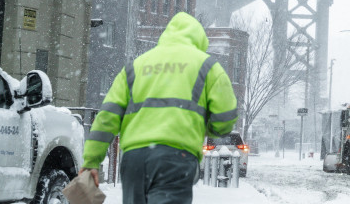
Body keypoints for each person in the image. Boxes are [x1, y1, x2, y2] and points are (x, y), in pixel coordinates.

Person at [80, 12, 238, 203]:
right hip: (176, 158)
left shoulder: (136, 66)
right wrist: (205, 128)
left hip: (134, 159)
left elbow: (107, 117)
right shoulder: (208, 66)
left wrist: (91, 161)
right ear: (199, 40)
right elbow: (225, 118)